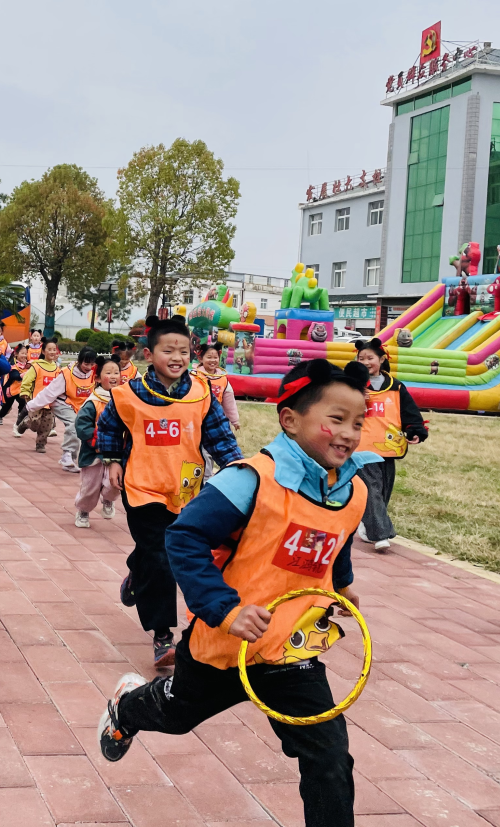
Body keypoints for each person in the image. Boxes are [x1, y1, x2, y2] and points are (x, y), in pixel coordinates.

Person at [98, 359, 380, 827]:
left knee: (330, 758)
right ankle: (127, 707)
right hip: (224, 645)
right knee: (175, 716)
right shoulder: (249, 479)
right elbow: (184, 537)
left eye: (358, 422)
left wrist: (343, 585)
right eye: (337, 419)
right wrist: (226, 611)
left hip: (291, 649)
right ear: (290, 419)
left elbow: (338, 541)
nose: (350, 434)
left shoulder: (353, 492)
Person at [97, 315, 240, 668]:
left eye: (184, 351)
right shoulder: (127, 394)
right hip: (141, 487)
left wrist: (240, 472)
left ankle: (137, 572)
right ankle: (162, 636)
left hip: (187, 489)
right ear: (149, 354)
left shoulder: (201, 394)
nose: (177, 357)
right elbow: (109, 427)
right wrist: (112, 460)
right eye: (168, 350)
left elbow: (220, 437)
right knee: (161, 558)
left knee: (157, 555)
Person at [353, 338, 428, 551]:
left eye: (370, 358)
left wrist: (416, 430)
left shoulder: (396, 387)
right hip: (361, 447)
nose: (365, 362)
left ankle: (368, 524)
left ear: (382, 359)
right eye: (361, 358)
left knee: (383, 491)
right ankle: (380, 535)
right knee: (371, 488)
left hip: (388, 447)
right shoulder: (351, 385)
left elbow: (408, 411)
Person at [25, 346, 97, 472]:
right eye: (86, 364)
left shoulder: (95, 374)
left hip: (82, 406)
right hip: (62, 403)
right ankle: (67, 454)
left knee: (87, 428)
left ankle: (71, 459)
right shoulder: (66, 373)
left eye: (92, 364)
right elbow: (50, 391)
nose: (89, 367)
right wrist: (32, 405)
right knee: (74, 423)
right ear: (79, 361)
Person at [73, 355, 122, 528]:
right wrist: (96, 440)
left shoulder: (124, 400)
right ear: (98, 378)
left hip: (117, 453)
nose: (114, 376)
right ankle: (83, 511)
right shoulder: (93, 403)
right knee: (90, 488)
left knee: (115, 483)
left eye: (116, 372)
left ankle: (108, 499)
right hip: (93, 453)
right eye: (108, 372)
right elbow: (82, 426)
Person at [194, 341, 241, 479]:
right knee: (202, 450)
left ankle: (209, 477)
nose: (213, 360)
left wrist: (235, 420)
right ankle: (204, 477)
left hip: (215, 421)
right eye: (209, 357)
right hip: (198, 421)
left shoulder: (223, 380)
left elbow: (229, 401)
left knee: (214, 449)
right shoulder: (194, 377)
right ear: (201, 359)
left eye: (215, 357)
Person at [17, 338, 62, 452]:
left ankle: (40, 444)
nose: (52, 352)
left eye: (54, 349)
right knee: (35, 423)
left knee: (47, 426)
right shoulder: (36, 366)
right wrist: (25, 392)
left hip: (50, 403)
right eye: (49, 349)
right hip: (36, 401)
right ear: (43, 351)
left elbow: (60, 385)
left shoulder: (57, 369)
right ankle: (26, 422)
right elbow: (27, 380)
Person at [0, 343, 29, 435]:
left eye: (25, 353)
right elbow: (14, 376)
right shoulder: (12, 364)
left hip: (20, 390)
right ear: (16, 354)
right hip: (10, 390)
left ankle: (19, 421)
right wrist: (24, 375)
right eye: (22, 353)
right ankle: (0, 415)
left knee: (23, 403)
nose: (24, 355)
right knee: (6, 407)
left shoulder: (28, 365)